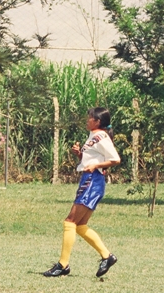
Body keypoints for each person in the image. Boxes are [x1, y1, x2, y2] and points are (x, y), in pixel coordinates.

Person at [44, 107, 120, 278]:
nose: (87, 120)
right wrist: (80, 155)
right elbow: (92, 158)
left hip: (92, 181)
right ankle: (107, 256)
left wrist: (95, 166)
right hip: (90, 180)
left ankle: (63, 265)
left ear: (98, 121)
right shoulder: (94, 136)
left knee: (69, 222)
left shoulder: (101, 136)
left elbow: (115, 159)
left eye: (90, 118)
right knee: (79, 225)